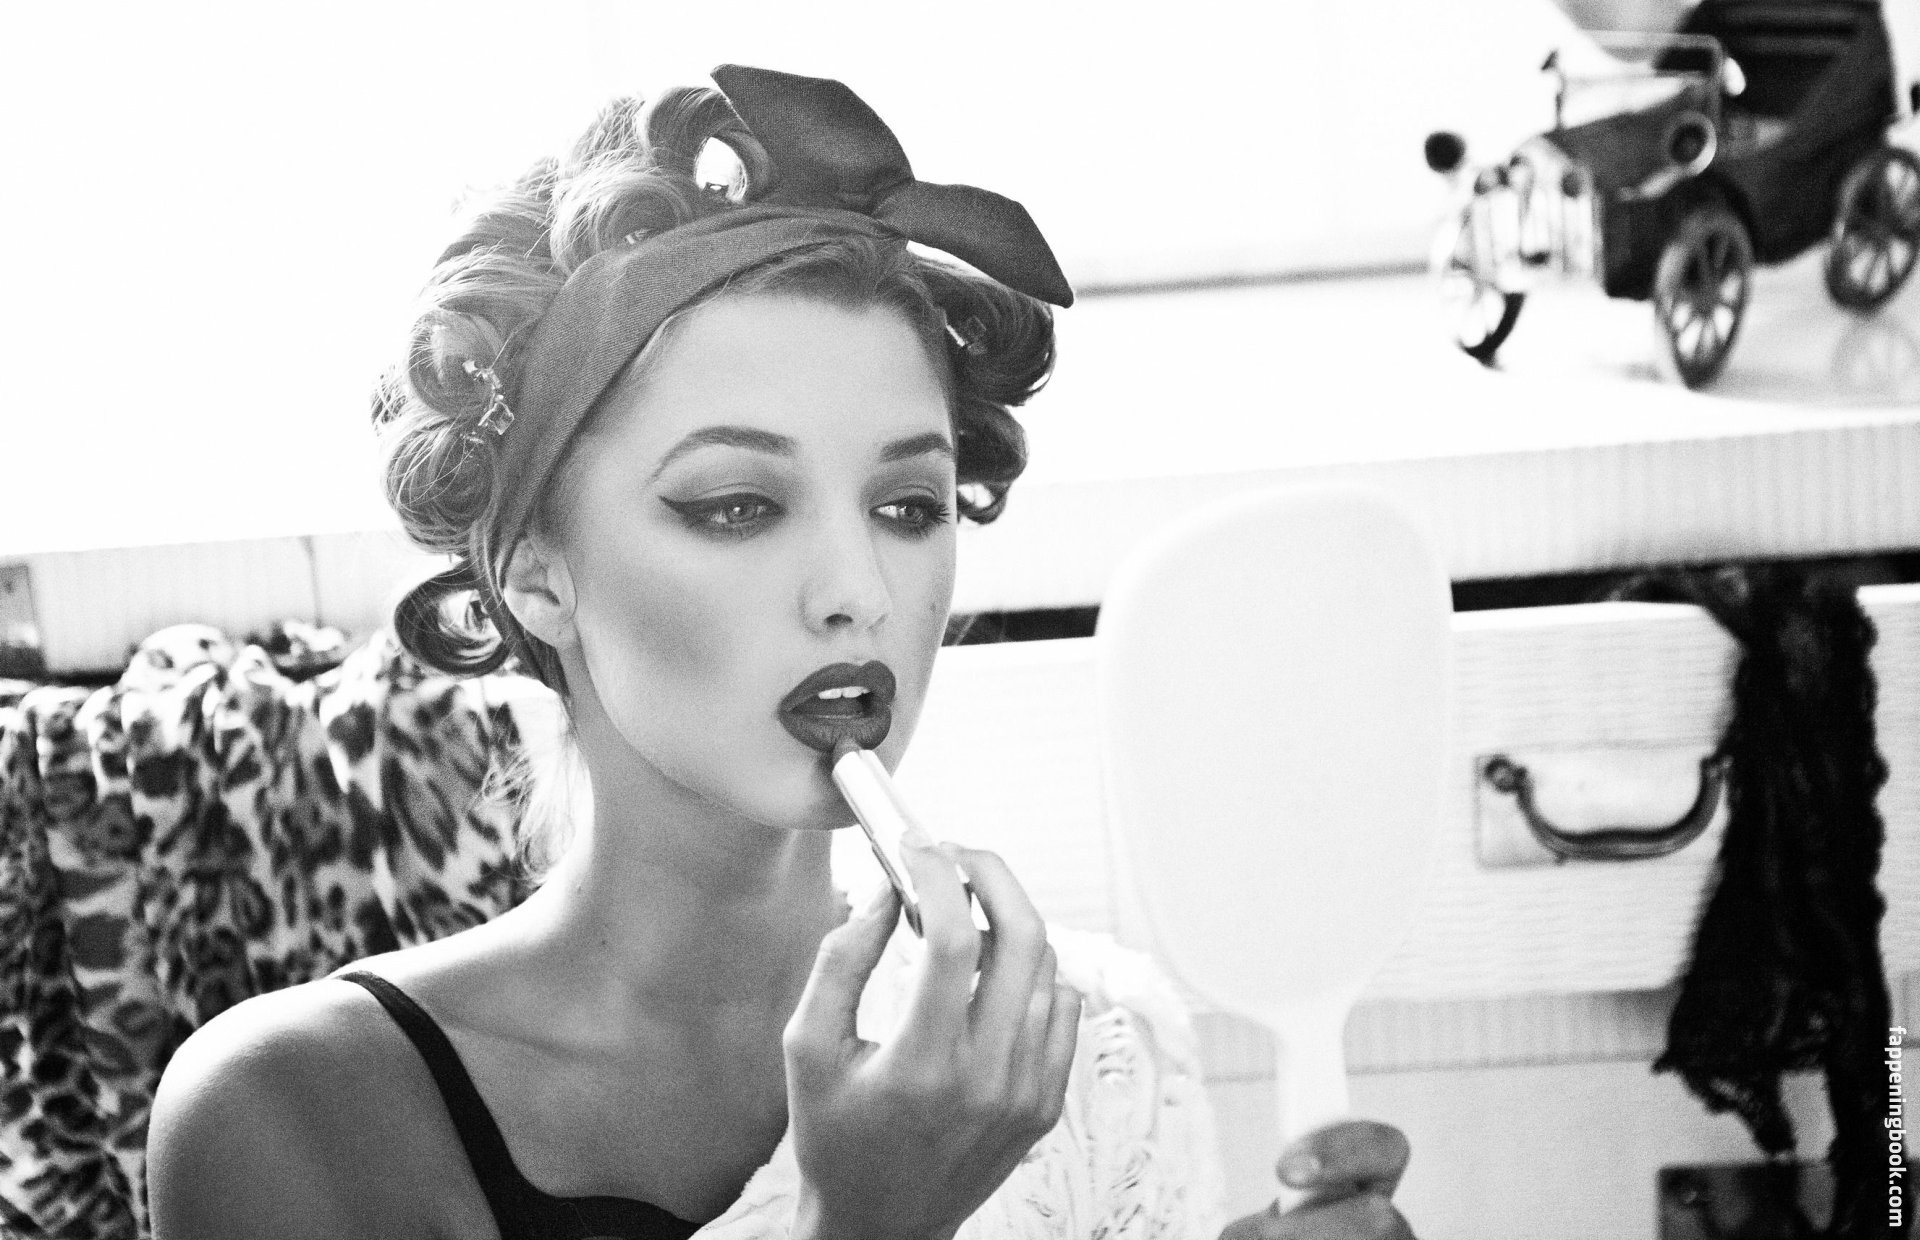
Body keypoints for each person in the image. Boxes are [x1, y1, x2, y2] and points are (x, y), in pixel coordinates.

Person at [145, 66, 1417, 1240]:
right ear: (538, 571)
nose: (858, 590)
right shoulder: (291, 1115)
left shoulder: (1087, 1049)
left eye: (908, 505)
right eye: (738, 505)